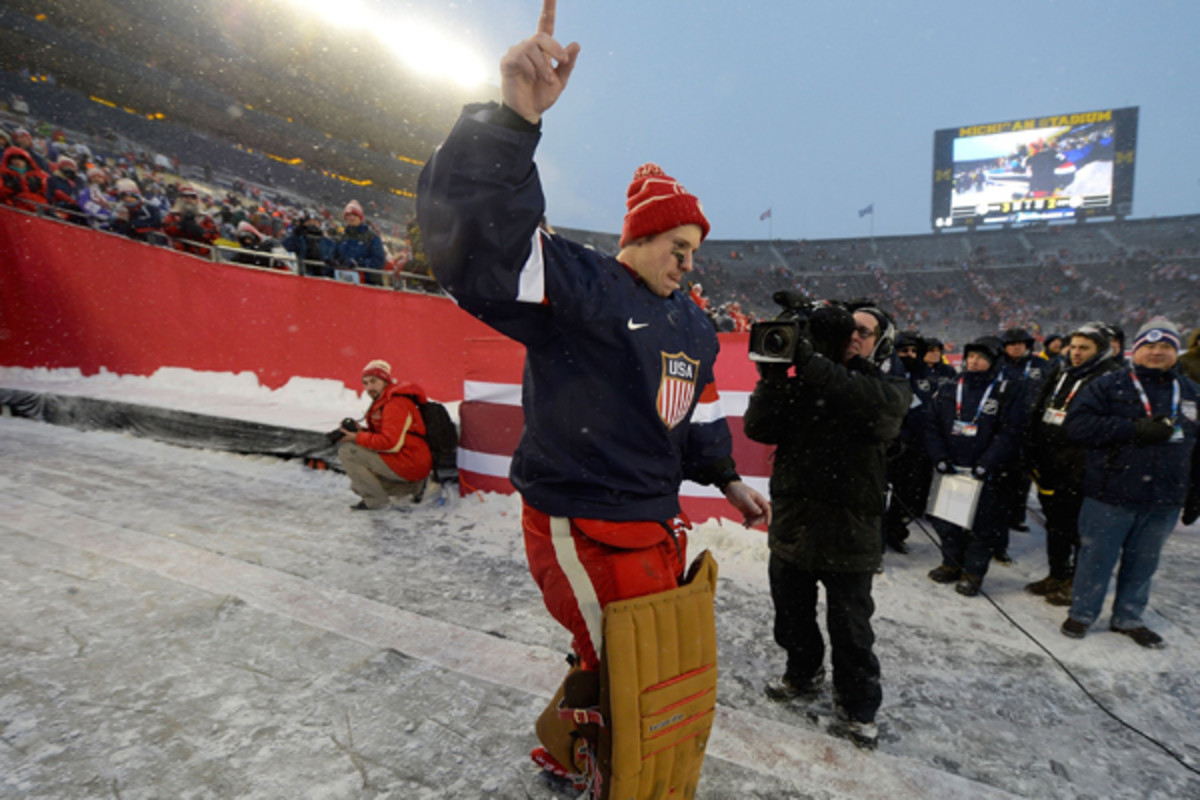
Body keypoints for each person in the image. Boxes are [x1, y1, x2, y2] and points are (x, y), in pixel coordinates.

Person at [416, 1, 770, 787]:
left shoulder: (693, 323)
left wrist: (727, 479)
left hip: (654, 522)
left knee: (634, 666)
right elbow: (483, 251)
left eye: (693, 252)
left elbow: (697, 410)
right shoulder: (584, 289)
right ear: (634, 240)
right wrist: (513, 118)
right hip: (582, 520)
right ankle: (600, 765)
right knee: (625, 671)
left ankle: (566, 748)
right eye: (675, 246)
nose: (685, 263)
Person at [745, 302, 910, 749]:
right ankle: (803, 674)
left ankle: (858, 706)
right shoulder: (808, 382)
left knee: (851, 629)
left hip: (850, 530)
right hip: (795, 524)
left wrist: (813, 363)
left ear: (882, 343)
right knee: (792, 616)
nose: (854, 337)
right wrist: (773, 378)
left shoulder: (887, 385)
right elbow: (759, 428)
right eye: (848, 329)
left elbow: (877, 412)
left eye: (865, 332)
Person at [1060, 317, 1200, 647]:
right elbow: (1078, 427)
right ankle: (1082, 613)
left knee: (1144, 563)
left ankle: (1128, 617)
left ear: (1175, 351)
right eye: (1149, 346)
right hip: (1111, 493)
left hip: (1164, 498)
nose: (1157, 352)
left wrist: (1195, 493)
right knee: (1096, 558)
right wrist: (1134, 429)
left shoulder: (1192, 391)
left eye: (1165, 346)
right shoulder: (1108, 385)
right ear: (1136, 350)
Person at [1024, 323, 1121, 606]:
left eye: (1084, 348)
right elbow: (1041, 408)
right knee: (1056, 524)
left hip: (1083, 467)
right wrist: (1032, 449)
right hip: (1052, 464)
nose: (1077, 353)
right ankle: (1057, 573)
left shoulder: (1111, 378)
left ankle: (1076, 582)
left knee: (1081, 530)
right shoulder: (1062, 370)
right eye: (1074, 347)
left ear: (1100, 350)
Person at [923, 337, 1025, 596]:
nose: (974, 362)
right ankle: (951, 563)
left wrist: (987, 463)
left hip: (983, 473)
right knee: (947, 521)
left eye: (981, 358)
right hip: (950, 468)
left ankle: (973, 573)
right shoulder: (949, 388)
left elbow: (1009, 433)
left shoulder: (1005, 391)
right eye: (971, 357)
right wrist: (940, 457)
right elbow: (931, 425)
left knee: (981, 526)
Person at [333, 360, 432, 510]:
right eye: (365, 383)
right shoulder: (384, 400)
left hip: (410, 460)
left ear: (385, 381)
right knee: (359, 485)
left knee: (347, 451)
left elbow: (390, 443)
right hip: (407, 459)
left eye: (373, 381)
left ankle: (376, 503)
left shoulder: (395, 404)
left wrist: (357, 438)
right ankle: (414, 488)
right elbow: (387, 434)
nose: (369, 387)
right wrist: (362, 432)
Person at [882, 330, 937, 554]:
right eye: (904, 350)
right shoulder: (885, 375)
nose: (910, 354)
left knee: (906, 497)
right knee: (879, 498)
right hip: (889, 447)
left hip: (915, 450)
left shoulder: (926, 376)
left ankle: (896, 532)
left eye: (914, 351)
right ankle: (877, 544)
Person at [331, 200, 386, 284]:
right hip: (344, 281)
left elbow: (379, 260)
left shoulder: (371, 237)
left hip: (367, 283)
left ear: (360, 217)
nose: (351, 218)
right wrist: (337, 262)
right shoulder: (342, 236)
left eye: (355, 215)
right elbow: (335, 255)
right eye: (348, 215)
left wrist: (359, 264)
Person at [162, 184, 219, 256]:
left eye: (193, 197)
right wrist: (179, 226)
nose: (189, 200)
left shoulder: (205, 217)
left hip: (199, 256)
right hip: (176, 254)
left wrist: (202, 232)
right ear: (180, 199)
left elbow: (215, 234)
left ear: (197, 200)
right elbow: (166, 229)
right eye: (185, 196)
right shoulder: (172, 215)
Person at [282, 209, 334, 277]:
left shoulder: (328, 243)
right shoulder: (298, 238)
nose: (312, 224)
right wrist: (295, 233)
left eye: (315, 222)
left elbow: (331, 260)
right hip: (301, 275)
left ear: (319, 224)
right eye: (309, 222)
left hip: (321, 278)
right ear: (304, 224)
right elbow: (285, 246)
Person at [0, 146, 49, 212]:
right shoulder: (3, 174)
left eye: (21, 158)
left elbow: (48, 192)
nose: (17, 161)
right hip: (13, 209)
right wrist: (9, 190)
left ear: (26, 159)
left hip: (38, 208)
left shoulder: (38, 175)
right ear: (9, 160)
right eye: (13, 158)